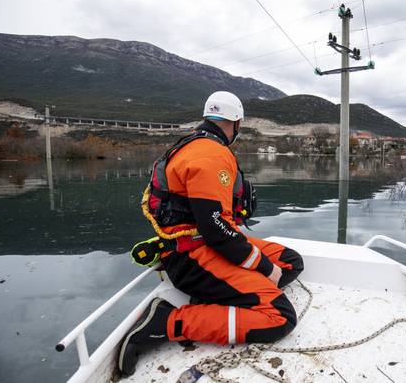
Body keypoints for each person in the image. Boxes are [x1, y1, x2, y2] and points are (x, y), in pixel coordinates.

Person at [118, 91, 304, 375]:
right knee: (280, 317)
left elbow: (214, 226)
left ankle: (225, 297)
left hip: (205, 244)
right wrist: (264, 268)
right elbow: (215, 229)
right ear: (237, 122)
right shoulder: (211, 154)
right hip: (193, 257)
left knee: (291, 261)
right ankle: (165, 322)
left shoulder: (192, 145)